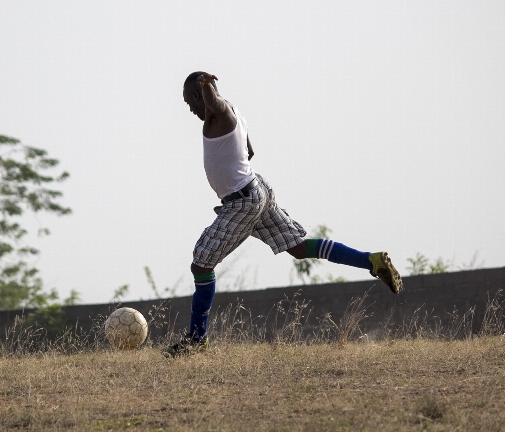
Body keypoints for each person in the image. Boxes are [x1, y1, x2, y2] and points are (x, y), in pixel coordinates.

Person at [163, 72, 403, 358]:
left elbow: (214, 103)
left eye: (189, 102)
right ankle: (371, 261)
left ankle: (196, 340)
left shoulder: (221, 111)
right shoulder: (234, 114)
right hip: (256, 190)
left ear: (196, 95)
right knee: (299, 248)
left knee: (201, 264)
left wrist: (206, 88)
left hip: (243, 201)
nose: (189, 109)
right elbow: (250, 150)